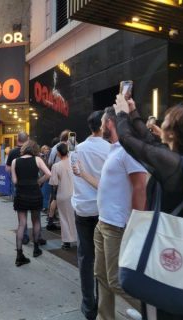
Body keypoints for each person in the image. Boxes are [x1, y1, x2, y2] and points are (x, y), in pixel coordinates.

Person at [114, 95, 183, 319]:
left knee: (161, 299)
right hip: (178, 239)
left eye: (168, 120)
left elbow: (129, 141)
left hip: (165, 244)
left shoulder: (173, 163)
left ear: (174, 131)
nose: (163, 122)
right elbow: (151, 143)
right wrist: (133, 113)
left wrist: (121, 113)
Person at [94, 106, 147, 320]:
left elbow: (140, 186)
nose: (99, 128)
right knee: (102, 276)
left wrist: (135, 224)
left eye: (101, 123)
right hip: (104, 223)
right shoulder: (114, 148)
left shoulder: (128, 150)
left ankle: (156, 313)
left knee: (116, 280)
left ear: (109, 123)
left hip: (117, 226)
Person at [71, 110, 110, 320]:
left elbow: (76, 178)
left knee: (86, 258)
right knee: (104, 261)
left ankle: (88, 307)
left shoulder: (77, 149)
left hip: (83, 209)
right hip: (103, 210)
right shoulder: (111, 149)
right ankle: (103, 307)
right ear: (103, 126)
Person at [11, 140, 51, 266]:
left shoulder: (15, 161)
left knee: (21, 224)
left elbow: (15, 180)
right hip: (34, 193)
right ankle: (36, 249)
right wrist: (39, 181)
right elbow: (48, 174)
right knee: (36, 221)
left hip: (21, 194)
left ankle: (19, 255)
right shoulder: (38, 160)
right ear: (35, 149)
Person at [6, 132, 46, 245]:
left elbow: (8, 170)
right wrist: (38, 181)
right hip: (34, 188)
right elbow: (47, 173)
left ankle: (23, 239)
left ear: (17, 139)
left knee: (22, 220)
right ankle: (38, 239)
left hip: (20, 189)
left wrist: (18, 175)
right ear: (27, 139)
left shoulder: (13, 153)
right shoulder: (36, 157)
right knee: (36, 218)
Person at [49, 143, 76, 249]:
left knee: (64, 218)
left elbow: (54, 182)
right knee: (75, 218)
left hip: (63, 194)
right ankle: (77, 238)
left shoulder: (56, 166)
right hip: (76, 194)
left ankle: (67, 241)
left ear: (59, 153)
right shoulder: (74, 163)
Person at [46, 130, 70, 230]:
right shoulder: (71, 146)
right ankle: (64, 222)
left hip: (56, 175)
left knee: (55, 198)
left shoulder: (55, 147)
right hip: (67, 177)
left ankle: (50, 219)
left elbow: (50, 162)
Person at [40, 145, 51, 212]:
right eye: (44, 149)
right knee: (43, 192)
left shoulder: (49, 157)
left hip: (47, 176)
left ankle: (45, 206)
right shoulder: (40, 158)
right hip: (42, 176)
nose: (46, 150)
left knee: (46, 192)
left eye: (47, 149)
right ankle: (43, 206)